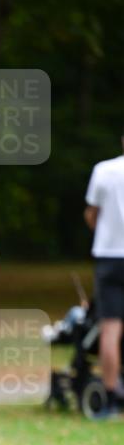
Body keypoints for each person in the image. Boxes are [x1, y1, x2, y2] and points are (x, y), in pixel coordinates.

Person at [84, 136, 124, 417]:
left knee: (110, 329)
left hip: (110, 256)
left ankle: (110, 397)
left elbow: (92, 214)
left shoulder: (104, 170)